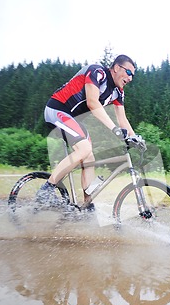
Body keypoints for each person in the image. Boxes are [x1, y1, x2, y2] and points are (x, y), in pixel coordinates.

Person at [38, 54, 137, 211]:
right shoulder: (98, 72)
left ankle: (86, 205)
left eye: (133, 75)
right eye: (129, 72)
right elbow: (92, 102)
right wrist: (115, 130)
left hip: (73, 120)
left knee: (89, 158)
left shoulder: (119, 92)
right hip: (57, 109)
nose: (131, 78)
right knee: (84, 149)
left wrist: (136, 138)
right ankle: (46, 190)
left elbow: (122, 119)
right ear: (117, 68)